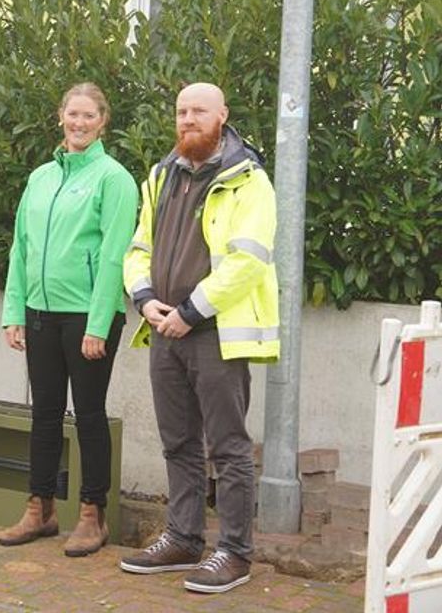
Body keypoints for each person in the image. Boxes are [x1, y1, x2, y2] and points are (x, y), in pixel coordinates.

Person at [118, 83, 279, 594]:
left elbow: (249, 261)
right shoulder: (161, 175)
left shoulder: (248, 180)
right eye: (182, 111)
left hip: (215, 332)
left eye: (199, 111)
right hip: (165, 328)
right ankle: (184, 538)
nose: (188, 119)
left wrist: (191, 311)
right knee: (178, 442)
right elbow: (137, 246)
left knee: (229, 448)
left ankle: (234, 552)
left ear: (222, 115)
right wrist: (145, 299)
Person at [0, 83, 139, 557]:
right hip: (40, 312)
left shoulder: (113, 178)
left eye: (89, 116)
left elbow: (117, 255)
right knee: (44, 413)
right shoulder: (39, 178)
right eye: (72, 114)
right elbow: (21, 248)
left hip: (87, 316)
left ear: (103, 121)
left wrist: (100, 323)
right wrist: (14, 311)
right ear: (60, 117)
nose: (79, 123)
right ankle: (39, 509)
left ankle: (91, 515)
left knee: (90, 415)